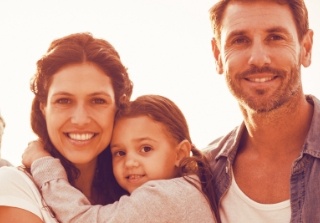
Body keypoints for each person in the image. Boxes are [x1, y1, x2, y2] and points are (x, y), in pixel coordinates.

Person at [0, 32, 133, 222]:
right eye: (64, 100)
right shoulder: (13, 188)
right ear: (43, 107)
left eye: (97, 100)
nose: (80, 119)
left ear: (119, 107)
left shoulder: (139, 192)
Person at [22, 94, 219, 223]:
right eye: (120, 153)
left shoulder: (167, 197)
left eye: (146, 148)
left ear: (180, 153)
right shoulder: (189, 189)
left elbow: (81, 219)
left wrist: (43, 163)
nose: (130, 162)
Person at [205, 0, 318, 222]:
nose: (258, 59)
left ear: (305, 48)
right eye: (239, 40)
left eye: (275, 37)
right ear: (218, 55)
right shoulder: (203, 174)